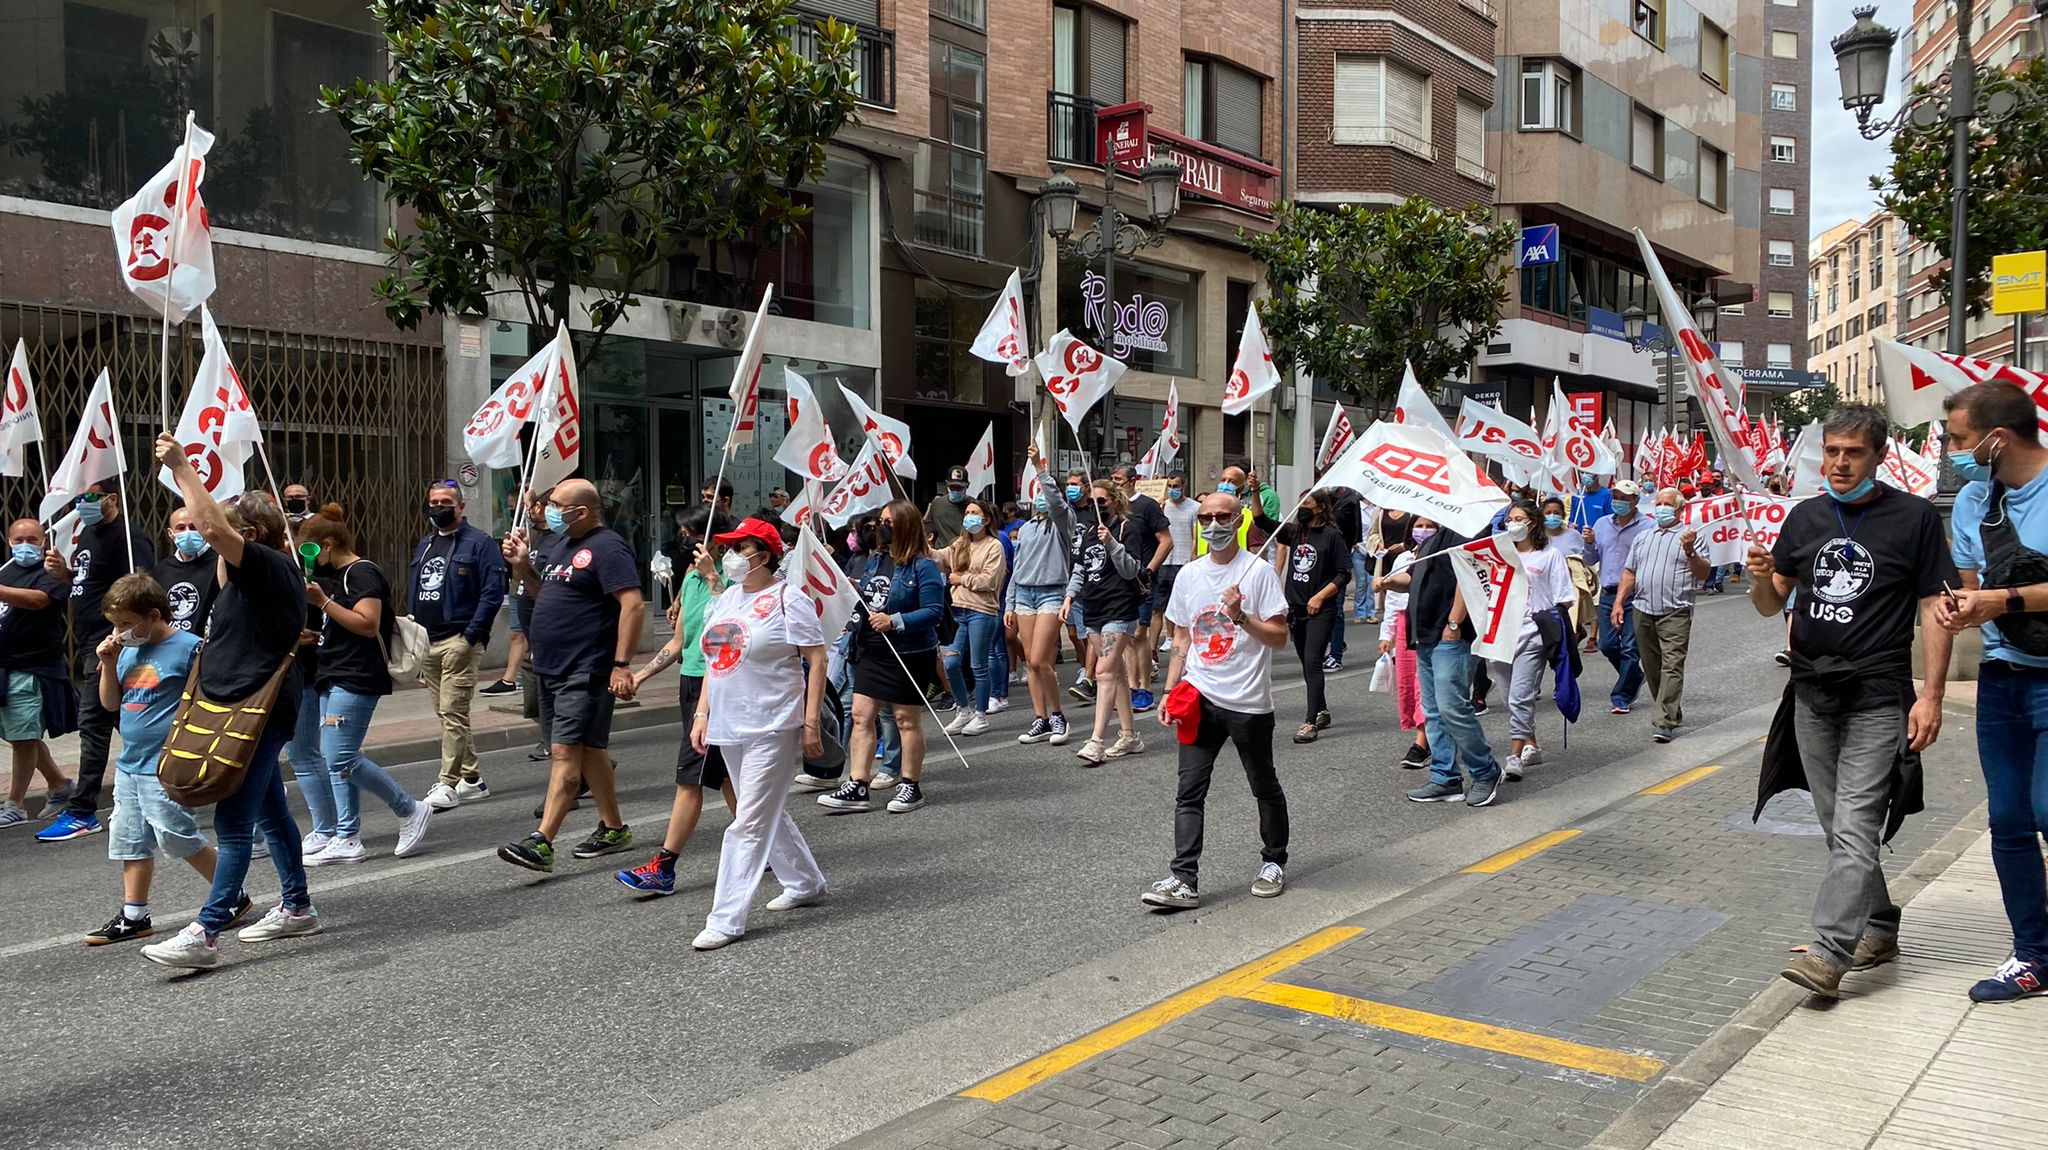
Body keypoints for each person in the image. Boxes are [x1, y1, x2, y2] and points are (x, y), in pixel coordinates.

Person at [1746, 405, 1953, 1000]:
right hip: (1811, 695)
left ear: (1878, 455)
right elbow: (1768, 603)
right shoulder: (1805, 517)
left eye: (1852, 452)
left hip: (1877, 696)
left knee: (1857, 827)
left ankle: (1830, 952)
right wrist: (1762, 574)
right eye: (1832, 450)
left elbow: (1935, 611)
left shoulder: (1912, 518)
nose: (1839, 462)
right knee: (1841, 828)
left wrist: (1931, 694)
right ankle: (1881, 927)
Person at [142, 437, 322, 969]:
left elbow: (217, 528)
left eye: (209, 532)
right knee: (269, 811)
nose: (201, 537)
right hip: (236, 706)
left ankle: (208, 930)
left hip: (257, 712)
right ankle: (298, 907)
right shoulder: (252, 577)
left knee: (235, 821)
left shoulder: (265, 565)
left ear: (246, 537)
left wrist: (181, 468)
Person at [1934, 382, 2048, 1001]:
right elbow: (1972, 587)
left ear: (1996, 438)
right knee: (2007, 820)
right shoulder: (1978, 498)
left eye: (1959, 439)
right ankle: (2033, 956)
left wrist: (2001, 599)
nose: (1952, 451)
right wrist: (1960, 609)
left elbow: (2000, 595)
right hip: (2002, 679)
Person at [84, 574, 252, 945]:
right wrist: (108, 664)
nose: (119, 632)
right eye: (114, 625)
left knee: (177, 836)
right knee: (128, 838)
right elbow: (111, 703)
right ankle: (134, 914)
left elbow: (210, 698)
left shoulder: (189, 648)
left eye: (126, 624)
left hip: (166, 763)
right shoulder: (126, 650)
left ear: (153, 615)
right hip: (131, 762)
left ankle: (232, 896)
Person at [1142, 491, 1290, 909]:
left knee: (1263, 784)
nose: (1212, 525)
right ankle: (1183, 877)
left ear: (1239, 519)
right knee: (1189, 791)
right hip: (1200, 696)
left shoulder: (1258, 573)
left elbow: (1280, 638)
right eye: (1205, 518)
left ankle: (1273, 861)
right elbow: (1183, 636)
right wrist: (1171, 691)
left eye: (1221, 517)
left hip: (1247, 702)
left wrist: (1242, 616)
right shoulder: (1190, 575)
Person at [688, 519, 831, 949]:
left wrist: (810, 723)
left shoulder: (789, 598)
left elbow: (817, 660)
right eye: (728, 548)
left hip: (773, 721)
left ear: (763, 555)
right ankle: (805, 883)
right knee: (762, 809)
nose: (730, 556)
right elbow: (716, 660)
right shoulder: (727, 598)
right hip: (729, 722)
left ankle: (726, 918)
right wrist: (701, 713)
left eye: (739, 548)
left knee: (747, 819)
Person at [498, 479, 647, 872]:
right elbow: (542, 593)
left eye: (555, 504)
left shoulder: (608, 547)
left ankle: (543, 841)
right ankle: (614, 828)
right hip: (550, 665)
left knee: (564, 752)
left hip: (585, 667)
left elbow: (632, 605)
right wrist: (523, 566)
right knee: (591, 750)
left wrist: (621, 664)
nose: (547, 509)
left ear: (580, 512)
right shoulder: (562, 546)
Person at [299, 506, 434, 863]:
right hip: (333, 672)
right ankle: (347, 835)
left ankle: (408, 808)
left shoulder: (362, 573)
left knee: (339, 755)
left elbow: (367, 623)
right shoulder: (338, 576)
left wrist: (324, 603)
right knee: (336, 758)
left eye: (310, 552)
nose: (309, 561)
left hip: (357, 675)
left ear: (327, 545)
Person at [616, 508, 740, 894]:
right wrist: (639, 674)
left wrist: (714, 577)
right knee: (726, 777)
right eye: (683, 534)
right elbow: (677, 642)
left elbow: (732, 625)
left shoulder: (734, 580)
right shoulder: (688, 581)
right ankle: (768, 847)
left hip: (717, 685)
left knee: (691, 778)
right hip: (690, 684)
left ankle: (664, 866)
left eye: (692, 535)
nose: (686, 542)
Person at [37, 482, 153, 842]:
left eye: (89, 497)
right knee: (126, 723)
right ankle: (178, 780)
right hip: (92, 644)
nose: (81, 505)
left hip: (111, 646)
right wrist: (65, 576)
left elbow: (141, 589)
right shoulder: (89, 534)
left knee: (94, 725)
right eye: (77, 499)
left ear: (111, 499)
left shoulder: (128, 538)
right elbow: (93, 583)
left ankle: (83, 810)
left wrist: (119, 640)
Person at [822, 500, 945, 813]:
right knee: (862, 715)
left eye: (888, 521)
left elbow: (934, 612)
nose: (880, 527)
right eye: (881, 520)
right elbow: (873, 592)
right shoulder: (876, 561)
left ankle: (910, 784)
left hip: (908, 652)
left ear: (905, 526)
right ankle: (858, 784)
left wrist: (896, 621)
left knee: (905, 719)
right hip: (871, 649)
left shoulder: (924, 566)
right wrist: (853, 587)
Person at [411, 481, 509, 810]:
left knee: (454, 712)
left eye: (446, 502)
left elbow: (493, 593)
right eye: (434, 501)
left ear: (461, 506)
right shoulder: (425, 544)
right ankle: (471, 778)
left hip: (459, 641)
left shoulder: (480, 544)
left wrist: (469, 638)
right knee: (446, 714)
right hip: (427, 641)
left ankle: (447, 783)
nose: (439, 507)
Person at [1394, 521, 1503, 808]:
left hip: (1450, 634)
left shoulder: (1472, 529)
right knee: (1432, 711)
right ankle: (1445, 777)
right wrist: (1390, 581)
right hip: (1425, 634)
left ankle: (1485, 771)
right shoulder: (1432, 539)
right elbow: (1415, 577)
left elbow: (1472, 577)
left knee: (1452, 706)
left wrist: (1455, 621)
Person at [1615, 487, 1710, 744]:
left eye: (1667, 504)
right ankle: (1670, 710)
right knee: (1652, 666)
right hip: (1643, 610)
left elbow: (1703, 573)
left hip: (1675, 612)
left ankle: (1664, 721)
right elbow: (1630, 572)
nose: (1661, 508)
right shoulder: (1644, 537)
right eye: (1658, 503)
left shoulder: (1692, 537)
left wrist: (1689, 551)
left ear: (1680, 509)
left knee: (1672, 666)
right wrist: (1619, 602)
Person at [1064, 480, 1146, 764]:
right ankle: (1129, 735)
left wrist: (1111, 543)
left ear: (1115, 500)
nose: (1096, 507)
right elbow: (1079, 569)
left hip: (1120, 607)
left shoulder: (1127, 528)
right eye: (1092, 502)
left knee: (1104, 672)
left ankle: (1096, 740)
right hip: (1093, 608)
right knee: (1117, 673)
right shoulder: (1087, 532)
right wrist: (1070, 597)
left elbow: (1130, 570)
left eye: (1102, 501)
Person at [0, 519, 76, 828]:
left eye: (32, 539)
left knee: (23, 737)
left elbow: (38, 601)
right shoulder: (6, 571)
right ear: (9, 540)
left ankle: (15, 803)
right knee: (21, 735)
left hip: (33, 668)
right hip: (6, 667)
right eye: (19, 539)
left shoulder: (52, 572)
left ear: (44, 541)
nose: (25, 544)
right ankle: (59, 785)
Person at [1493, 503, 1574, 779]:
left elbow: (1563, 598)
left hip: (1532, 634)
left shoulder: (1549, 556)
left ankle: (1514, 756)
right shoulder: (1501, 555)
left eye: (1519, 519)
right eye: (1509, 519)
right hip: (1502, 635)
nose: (1513, 523)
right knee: (1507, 696)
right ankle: (1531, 743)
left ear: (1532, 523)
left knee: (1520, 696)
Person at [1006, 449, 1078, 746]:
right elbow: (1017, 568)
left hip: (1051, 593)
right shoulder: (1026, 528)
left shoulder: (1063, 522)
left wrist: (1039, 467)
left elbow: (1057, 503)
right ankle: (1041, 718)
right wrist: (1009, 603)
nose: (1041, 498)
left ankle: (1059, 715)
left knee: (1039, 659)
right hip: (1024, 595)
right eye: (1036, 493)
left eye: (1044, 493)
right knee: (1031, 664)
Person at [1274, 489, 1350, 743]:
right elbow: (1264, 523)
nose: (1301, 508)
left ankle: (1309, 722)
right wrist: (1253, 492)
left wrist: (1320, 596)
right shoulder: (1296, 532)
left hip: (1320, 610)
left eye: (1306, 503)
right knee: (1307, 664)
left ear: (1320, 508)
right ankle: (1321, 710)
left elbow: (1343, 573)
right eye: (1299, 503)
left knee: (1313, 660)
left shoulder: (1332, 536)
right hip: (1296, 609)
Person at [941, 499, 1008, 737]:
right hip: (958, 611)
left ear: (986, 519)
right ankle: (963, 710)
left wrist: (962, 579)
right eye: (967, 513)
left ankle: (980, 715)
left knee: (978, 665)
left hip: (982, 612)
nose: (969, 517)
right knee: (950, 663)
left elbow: (990, 581)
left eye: (975, 513)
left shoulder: (994, 546)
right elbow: (940, 558)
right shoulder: (960, 544)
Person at [1112, 464, 1174, 713]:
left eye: (1118, 479)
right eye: (1112, 478)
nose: (1114, 483)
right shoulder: (1113, 508)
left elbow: (1166, 542)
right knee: (1126, 637)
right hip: (1119, 581)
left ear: (1133, 480)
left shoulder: (1146, 505)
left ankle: (1145, 688)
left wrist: (1148, 570)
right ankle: (1130, 686)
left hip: (1143, 581)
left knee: (1139, 634)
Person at [1588, 478, 1651, 716]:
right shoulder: (1602, 524)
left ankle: (1622, 695)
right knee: (1607, 645)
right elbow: (1590, 559)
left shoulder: (1647, 527)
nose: (1619, 502)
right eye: (1616, 497)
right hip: (1608, 593)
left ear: (1636, 501)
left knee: (1629, 648)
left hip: (1636, 594)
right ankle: (1634, 675)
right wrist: (1589, 544)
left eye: (1625, 498)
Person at [1374, 519, 1431, 770]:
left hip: (1430, 624)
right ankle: (1427, 735)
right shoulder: (1403, 559)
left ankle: (1422, 742)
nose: (1424, 530)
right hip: (1405, 624)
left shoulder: (1443, 557)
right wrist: (1386, 634)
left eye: (1430, 526)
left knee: (1424, 686)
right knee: (1408, 683)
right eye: (1419, 525)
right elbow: (1394, 599)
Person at [483, 491, 538, 698]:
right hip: (518, 585)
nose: (515, 510)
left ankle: (522, 675)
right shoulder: (516, 529)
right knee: (517, 632)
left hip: (537, 587)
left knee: (529, 633)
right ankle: (510, 678)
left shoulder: (547, 533)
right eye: (513, 507)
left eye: (521, 506)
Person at [150, 505, 220, 635]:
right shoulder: (162, 570)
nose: (188, 532)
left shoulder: (219, 564)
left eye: (194, 527)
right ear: (171, 533)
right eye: (181, 528)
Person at [1158, 472, 1199, 653]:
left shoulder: (1194, 507)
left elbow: (1196, 535)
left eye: (1176, 486)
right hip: (1165, 560)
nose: (1173, 490)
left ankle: (1185, 632)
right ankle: (1169, 635)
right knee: (1165, 603)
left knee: (1183, 600)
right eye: (1170, 486)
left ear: (1184, 485)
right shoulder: (1162, 506)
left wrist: (1193, 556)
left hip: (1183, 560)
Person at [927, 465, 971, 548]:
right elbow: (928, 527)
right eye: (952, 487)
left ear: (967, 485)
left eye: (959, 487)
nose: (955, 490)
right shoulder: (937, 503)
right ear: (946, 483)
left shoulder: (974, 506)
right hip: (941, 554)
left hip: (964, 552)